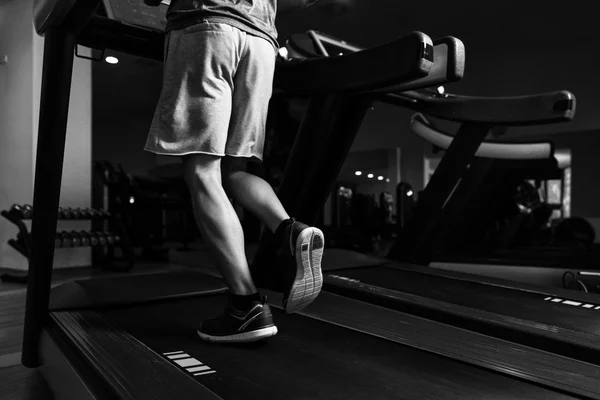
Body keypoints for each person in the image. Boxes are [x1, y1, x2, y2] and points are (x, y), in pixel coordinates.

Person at [143, 0, 326, 343]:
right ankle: (288, 230)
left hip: (207, 29)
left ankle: (246, 306)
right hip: (261, 44)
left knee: (202, 171)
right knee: (233, 170)